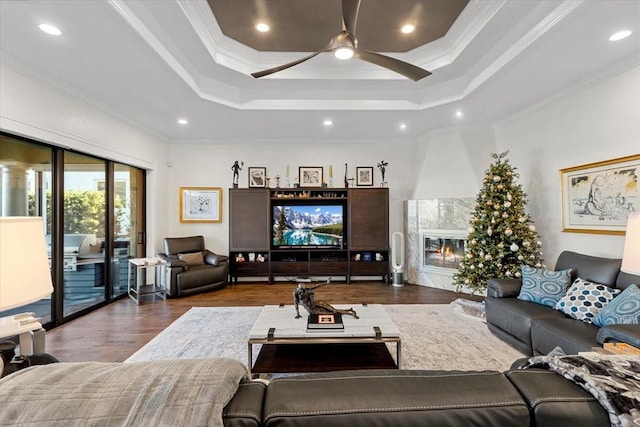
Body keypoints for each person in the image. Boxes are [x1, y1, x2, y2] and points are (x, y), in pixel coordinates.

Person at [293, 279, 358, 319]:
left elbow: (317, 286)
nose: (302, 292)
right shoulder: (295, 293)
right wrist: (298, 314)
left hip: (315, 303)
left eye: (303, 290)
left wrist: (326, 283)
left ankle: (349, 310)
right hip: (311, 309)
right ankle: (350, 313)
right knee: (330, 313)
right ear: (298, 290)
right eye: (300, 291)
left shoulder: (306, 290)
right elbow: (296, 304)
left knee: (333, 310)